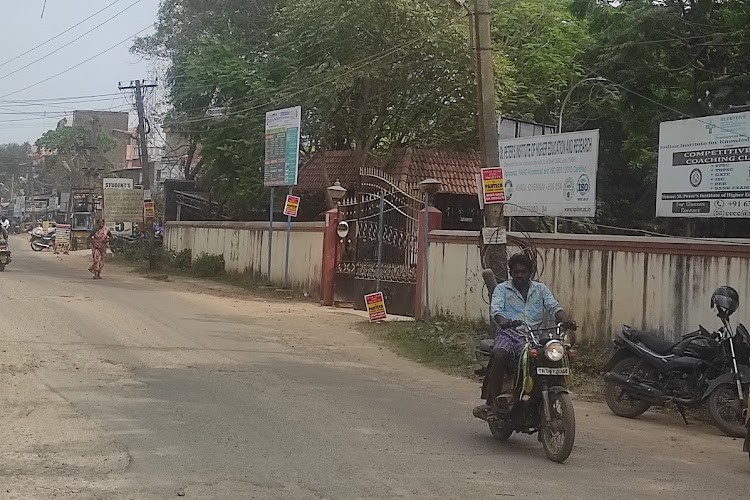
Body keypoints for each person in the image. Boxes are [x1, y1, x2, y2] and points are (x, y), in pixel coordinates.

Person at [474, 253, 576, 421]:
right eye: (516, 272)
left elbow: (554, 307)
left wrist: (566, 320)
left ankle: (546, 397)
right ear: (511, 273)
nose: (520, 275)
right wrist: (504, 321)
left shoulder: (541, 289)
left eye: (523, 272)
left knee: (555, 356)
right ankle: (491, 403)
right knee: (500, 354)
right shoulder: (502, 289)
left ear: (530, 272)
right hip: (510, 334)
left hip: (535, 336)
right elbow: (497, 311)